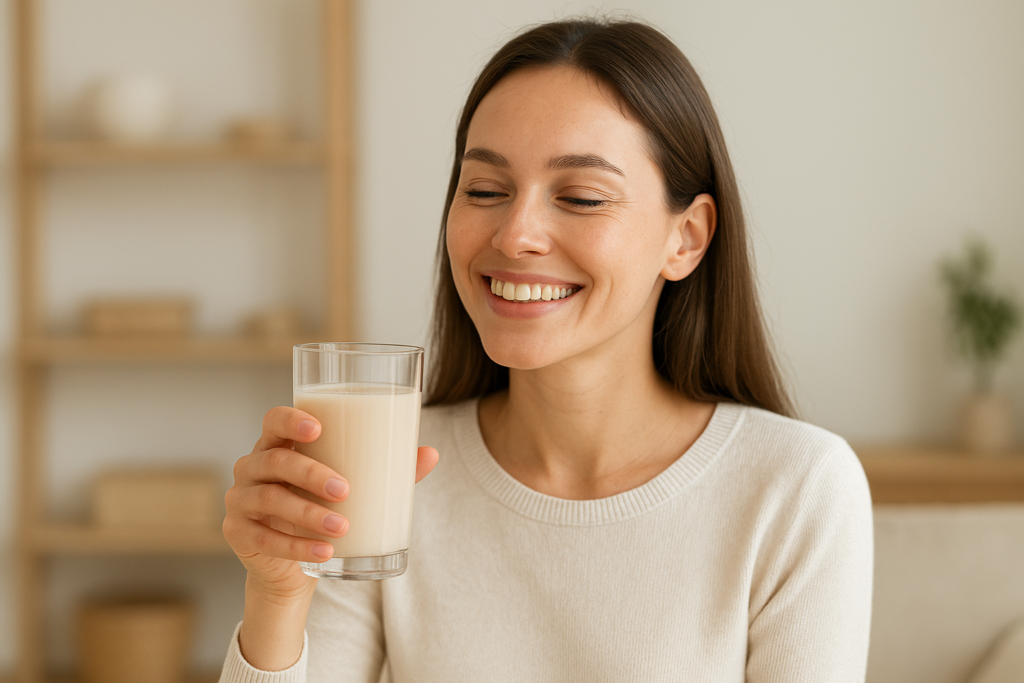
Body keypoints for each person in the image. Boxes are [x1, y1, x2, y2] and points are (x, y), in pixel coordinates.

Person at [219, 17, 873, 683]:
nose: (516, 233)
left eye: (582, 196)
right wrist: (276, 595)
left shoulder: (796, 488)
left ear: (688, 238)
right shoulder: (392, 476)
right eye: (484, 190)